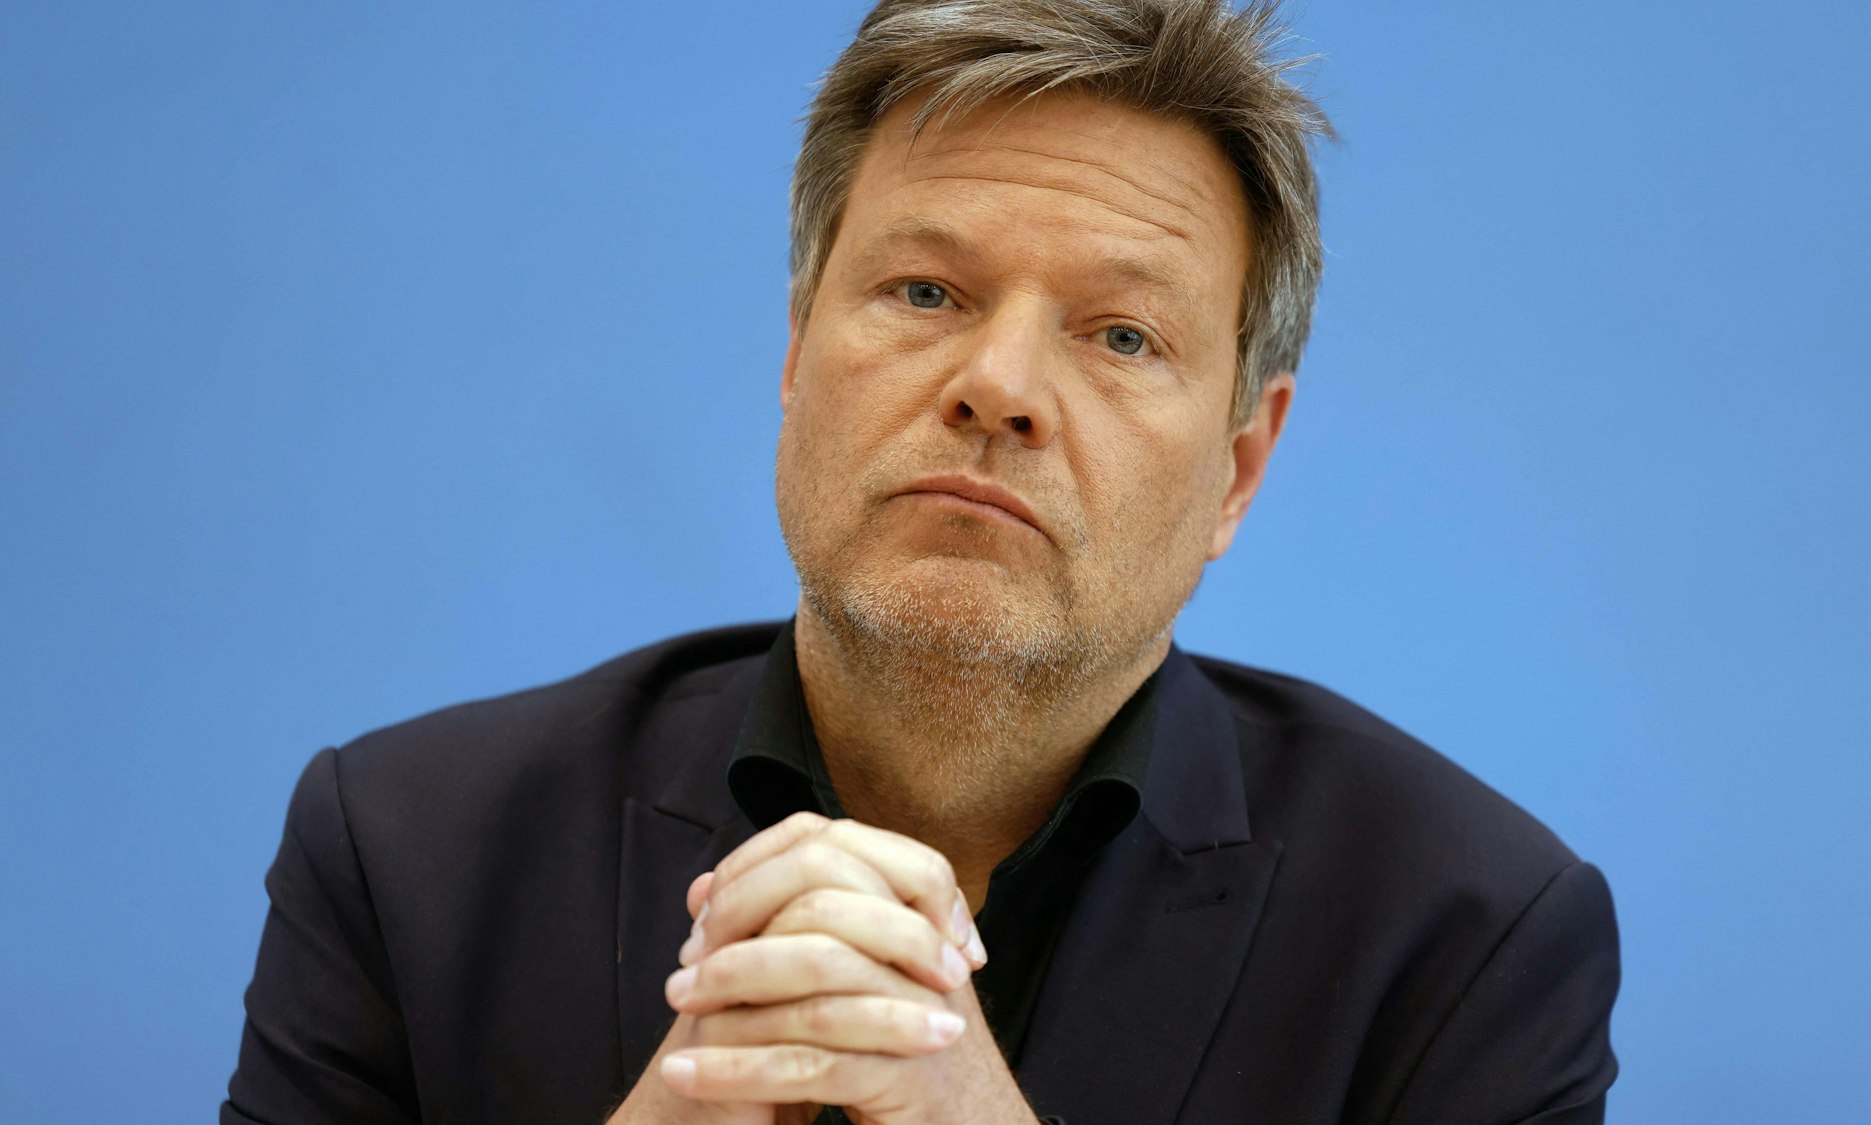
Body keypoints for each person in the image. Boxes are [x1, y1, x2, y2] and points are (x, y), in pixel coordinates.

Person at [222, 1, 1621, 1122]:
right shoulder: (406, 854)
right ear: (792, 352)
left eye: (1122, 334)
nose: (999, 382)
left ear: (1239, 469)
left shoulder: (1468, 942)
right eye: (926, 291)